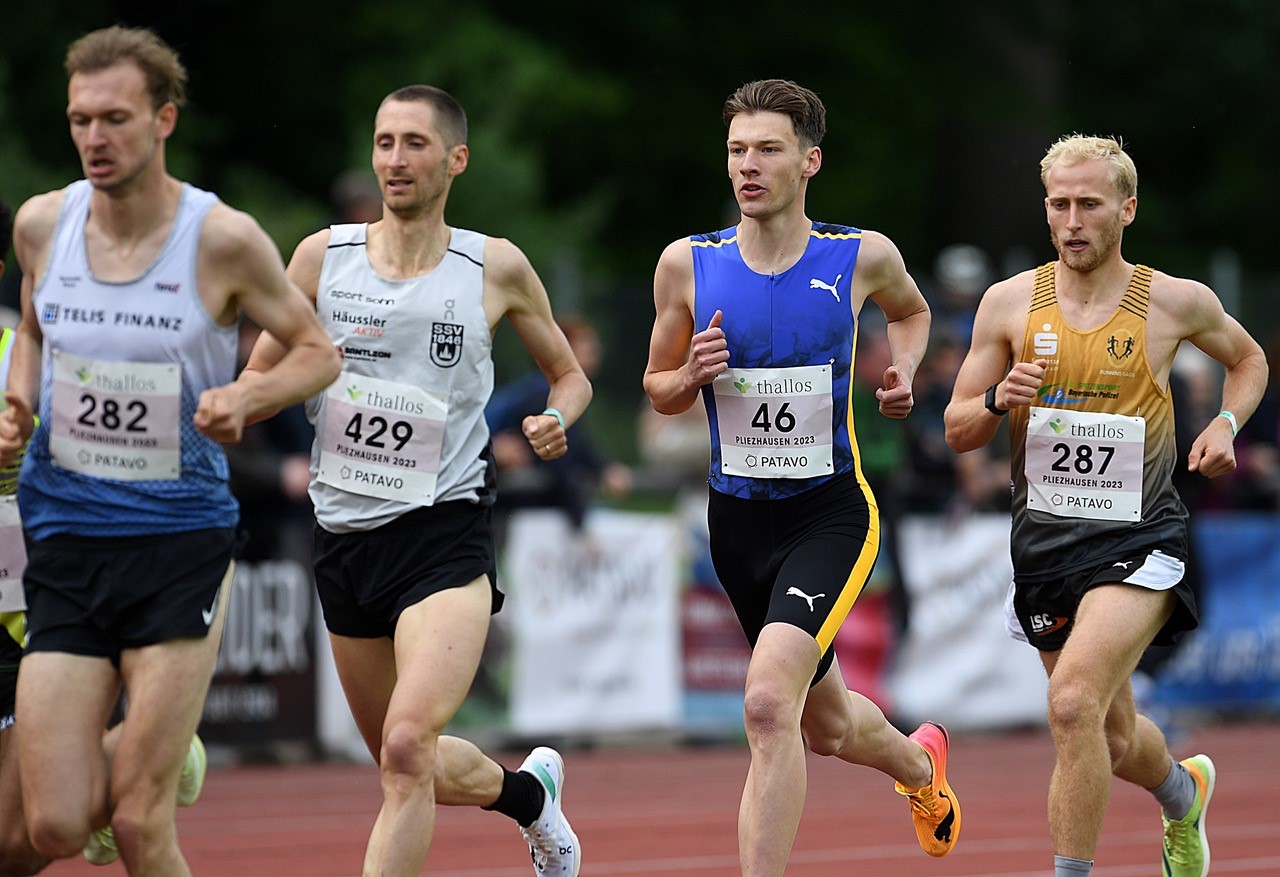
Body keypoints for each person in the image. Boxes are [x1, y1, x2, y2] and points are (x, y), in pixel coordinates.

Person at [0, 26, 341, 877]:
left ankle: (153, 753)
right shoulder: (43, 223)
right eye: (80, 120)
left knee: (138, 819)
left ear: (163, 119)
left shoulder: (221, 238)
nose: (94, 137)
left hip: (177, 537)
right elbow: (34, 326)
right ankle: (159, 742)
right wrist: (20, 398)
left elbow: (316, 353)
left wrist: (246, 396)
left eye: (114, 118)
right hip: (65, 535)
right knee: (52, 824)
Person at [240, 84, 588, 877]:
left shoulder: (493, 265)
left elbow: (569, 375)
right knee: (409, 760)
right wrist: (251, 396)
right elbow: (261, 377)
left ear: (456, 159)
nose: (395, 159)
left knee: (405, 747)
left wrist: (555, 416)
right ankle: (531, 797)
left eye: (415, 143)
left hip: (443, 536)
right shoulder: (320, 258)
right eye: (384, 142)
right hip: (343, 539)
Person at [642, 78, 960, 876]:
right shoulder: (688, 264)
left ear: (809, 161)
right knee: (826, 725)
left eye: (767, 150)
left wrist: (904, 369)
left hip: (829, 514)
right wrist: (690, 374)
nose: (747, 166)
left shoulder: (860, 254)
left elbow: (912, 311)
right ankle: (921, 766)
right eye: (736, 151)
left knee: (764, 703)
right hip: (736, 521)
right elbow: (657, 388)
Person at [943, 134, 1268, 877]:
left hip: (1139, 538)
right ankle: (1183, 791)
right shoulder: (1008, 303)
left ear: (1127, 208)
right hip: (1044, 548)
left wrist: (1226, 422)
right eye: (1058, 204)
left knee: (1071, 703)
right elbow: (959, 429)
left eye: (1088, 204)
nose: (1072, 221)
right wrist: (996, 399)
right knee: (1111, 737)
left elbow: (1248, 359)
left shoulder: (1175, 301)